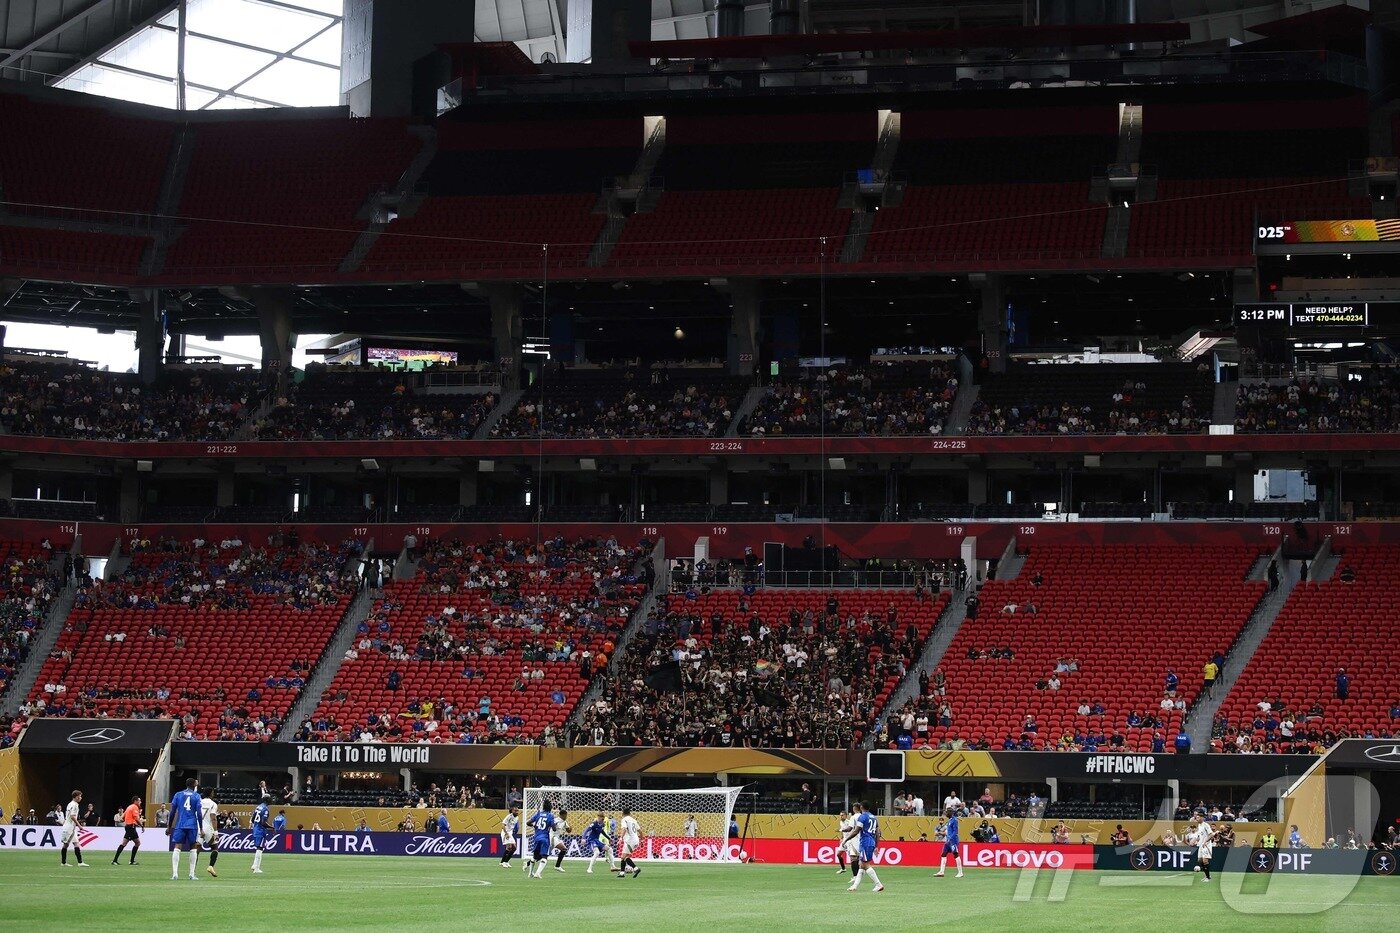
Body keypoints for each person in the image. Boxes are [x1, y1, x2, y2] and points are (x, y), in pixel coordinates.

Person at [843, 802, 884, 893]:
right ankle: (855, 886)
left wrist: (846, 839)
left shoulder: (863, 817)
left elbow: (856, 831)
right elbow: (878, 833)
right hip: (871, 842)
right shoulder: (874, 817)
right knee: (861, 865)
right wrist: (876, 845)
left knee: (865, 865)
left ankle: (878, 884)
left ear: (861, 807)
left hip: (865, 842)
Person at [168, 778, 203, 880]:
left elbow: (172, 811)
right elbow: (199, 813)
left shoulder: (178, 795)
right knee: (193, 847)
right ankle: (191, 874)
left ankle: (175, 874)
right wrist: (201, 828)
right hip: (192, 825)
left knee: (177, 846)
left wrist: (169, 826)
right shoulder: (197, 796)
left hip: (180, 824)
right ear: (194, 785)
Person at [525, 799, 556, 879]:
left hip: (536, 837)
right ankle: (537, 873)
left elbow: (528, 823)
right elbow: (554, 828)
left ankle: (530, 874)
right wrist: (554, 825)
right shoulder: (550, 815)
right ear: (550, 807)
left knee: (535, 856)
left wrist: (535, 826)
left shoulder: (538, 814)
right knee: (544, 857)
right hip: (545, 838)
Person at [59, 790, 88, 869]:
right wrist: (79, 825)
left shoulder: (70, 804)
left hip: (71, 827)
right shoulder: (75, 805)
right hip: (69, 827)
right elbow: (72, 816)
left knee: (76, 843)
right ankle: (63, 862)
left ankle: (80, 862)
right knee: (66, 844)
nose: (81, 798)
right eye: (80, 796)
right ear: (76, 796)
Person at [112, 796, 143, 866]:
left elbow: (121, 818)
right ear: (135, 801)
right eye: (139, 801)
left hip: (129, 827)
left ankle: (129, 861)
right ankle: (115, 860)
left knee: (137, 843)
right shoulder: (135, 807)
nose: (140, 802)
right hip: (131, 827)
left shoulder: (129, 807)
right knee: (124, 843)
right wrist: (142, 826)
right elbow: (136, 818)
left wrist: (127, 819)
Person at [1188, 815, 1216, 883]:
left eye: (1198, 817)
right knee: (1200, 860)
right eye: (1196, 817)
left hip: (1206, 845)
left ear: (1202, 818)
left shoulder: (1206, 825)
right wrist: (1194, 841)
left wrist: (1205, 842)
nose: (1196, 819)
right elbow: (1199, 836)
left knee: (1205, 861)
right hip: (1201, 845)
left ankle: (1208, 877)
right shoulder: (1199, 826)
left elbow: (1211, 834)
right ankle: (1207, 876)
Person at [199, 790, 221, 877]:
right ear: (211, 793)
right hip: (208, 828)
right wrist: (216, 832)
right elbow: (213, 818)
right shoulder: (213, 804)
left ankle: (192, 872)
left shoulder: (199, 802)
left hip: (198, 827)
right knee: (215, 847)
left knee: (196, 849)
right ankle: (211, 866)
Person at [617, 808, 642, 878]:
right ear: (630, 813)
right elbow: (640, 831)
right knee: (625, 857)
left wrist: (620, 838)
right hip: (636, 840)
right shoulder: (634, 820)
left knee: (623, 857)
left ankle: (635, 869)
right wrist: (642, 840)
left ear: (622, 813)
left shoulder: (624, 819)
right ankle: (622, 873)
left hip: (630, 840)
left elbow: (624, 828)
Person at [251, 794, 272, 874]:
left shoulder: (258, 807)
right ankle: (256, 868)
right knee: (260, 848)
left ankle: (254, 865)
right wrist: (272, 827)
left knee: (258, 848)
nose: (271, 800)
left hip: (255, 829)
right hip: (261, 830)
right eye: (270, 799)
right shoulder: (265, 809)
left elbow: (253, 819)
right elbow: (263, 822)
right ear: (267, 800)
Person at [836, 810, 859, 877]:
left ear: (846, 816)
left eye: (842, 815)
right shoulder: (841, 822)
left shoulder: (849, 822)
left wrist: (841, 830)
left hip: (849, 841)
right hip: (844, 841)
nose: (841, 816)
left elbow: (849, 830)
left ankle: (855, 875)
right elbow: (843, 832)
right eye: (840, 815)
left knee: (853, 858)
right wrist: (841, 838)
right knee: (838, 854)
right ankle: (843, 869)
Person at [551, 809, 571, 873]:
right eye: (566, 815)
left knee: (543, 855)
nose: (566, 817)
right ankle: (557, 866)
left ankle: (527, 864)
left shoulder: (564, 822)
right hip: (552, 837)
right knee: (564, 849)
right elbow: (553, 828)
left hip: (555, 838)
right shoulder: (556, 820)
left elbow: (569, 831)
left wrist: (570, 828)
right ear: (563, 815)